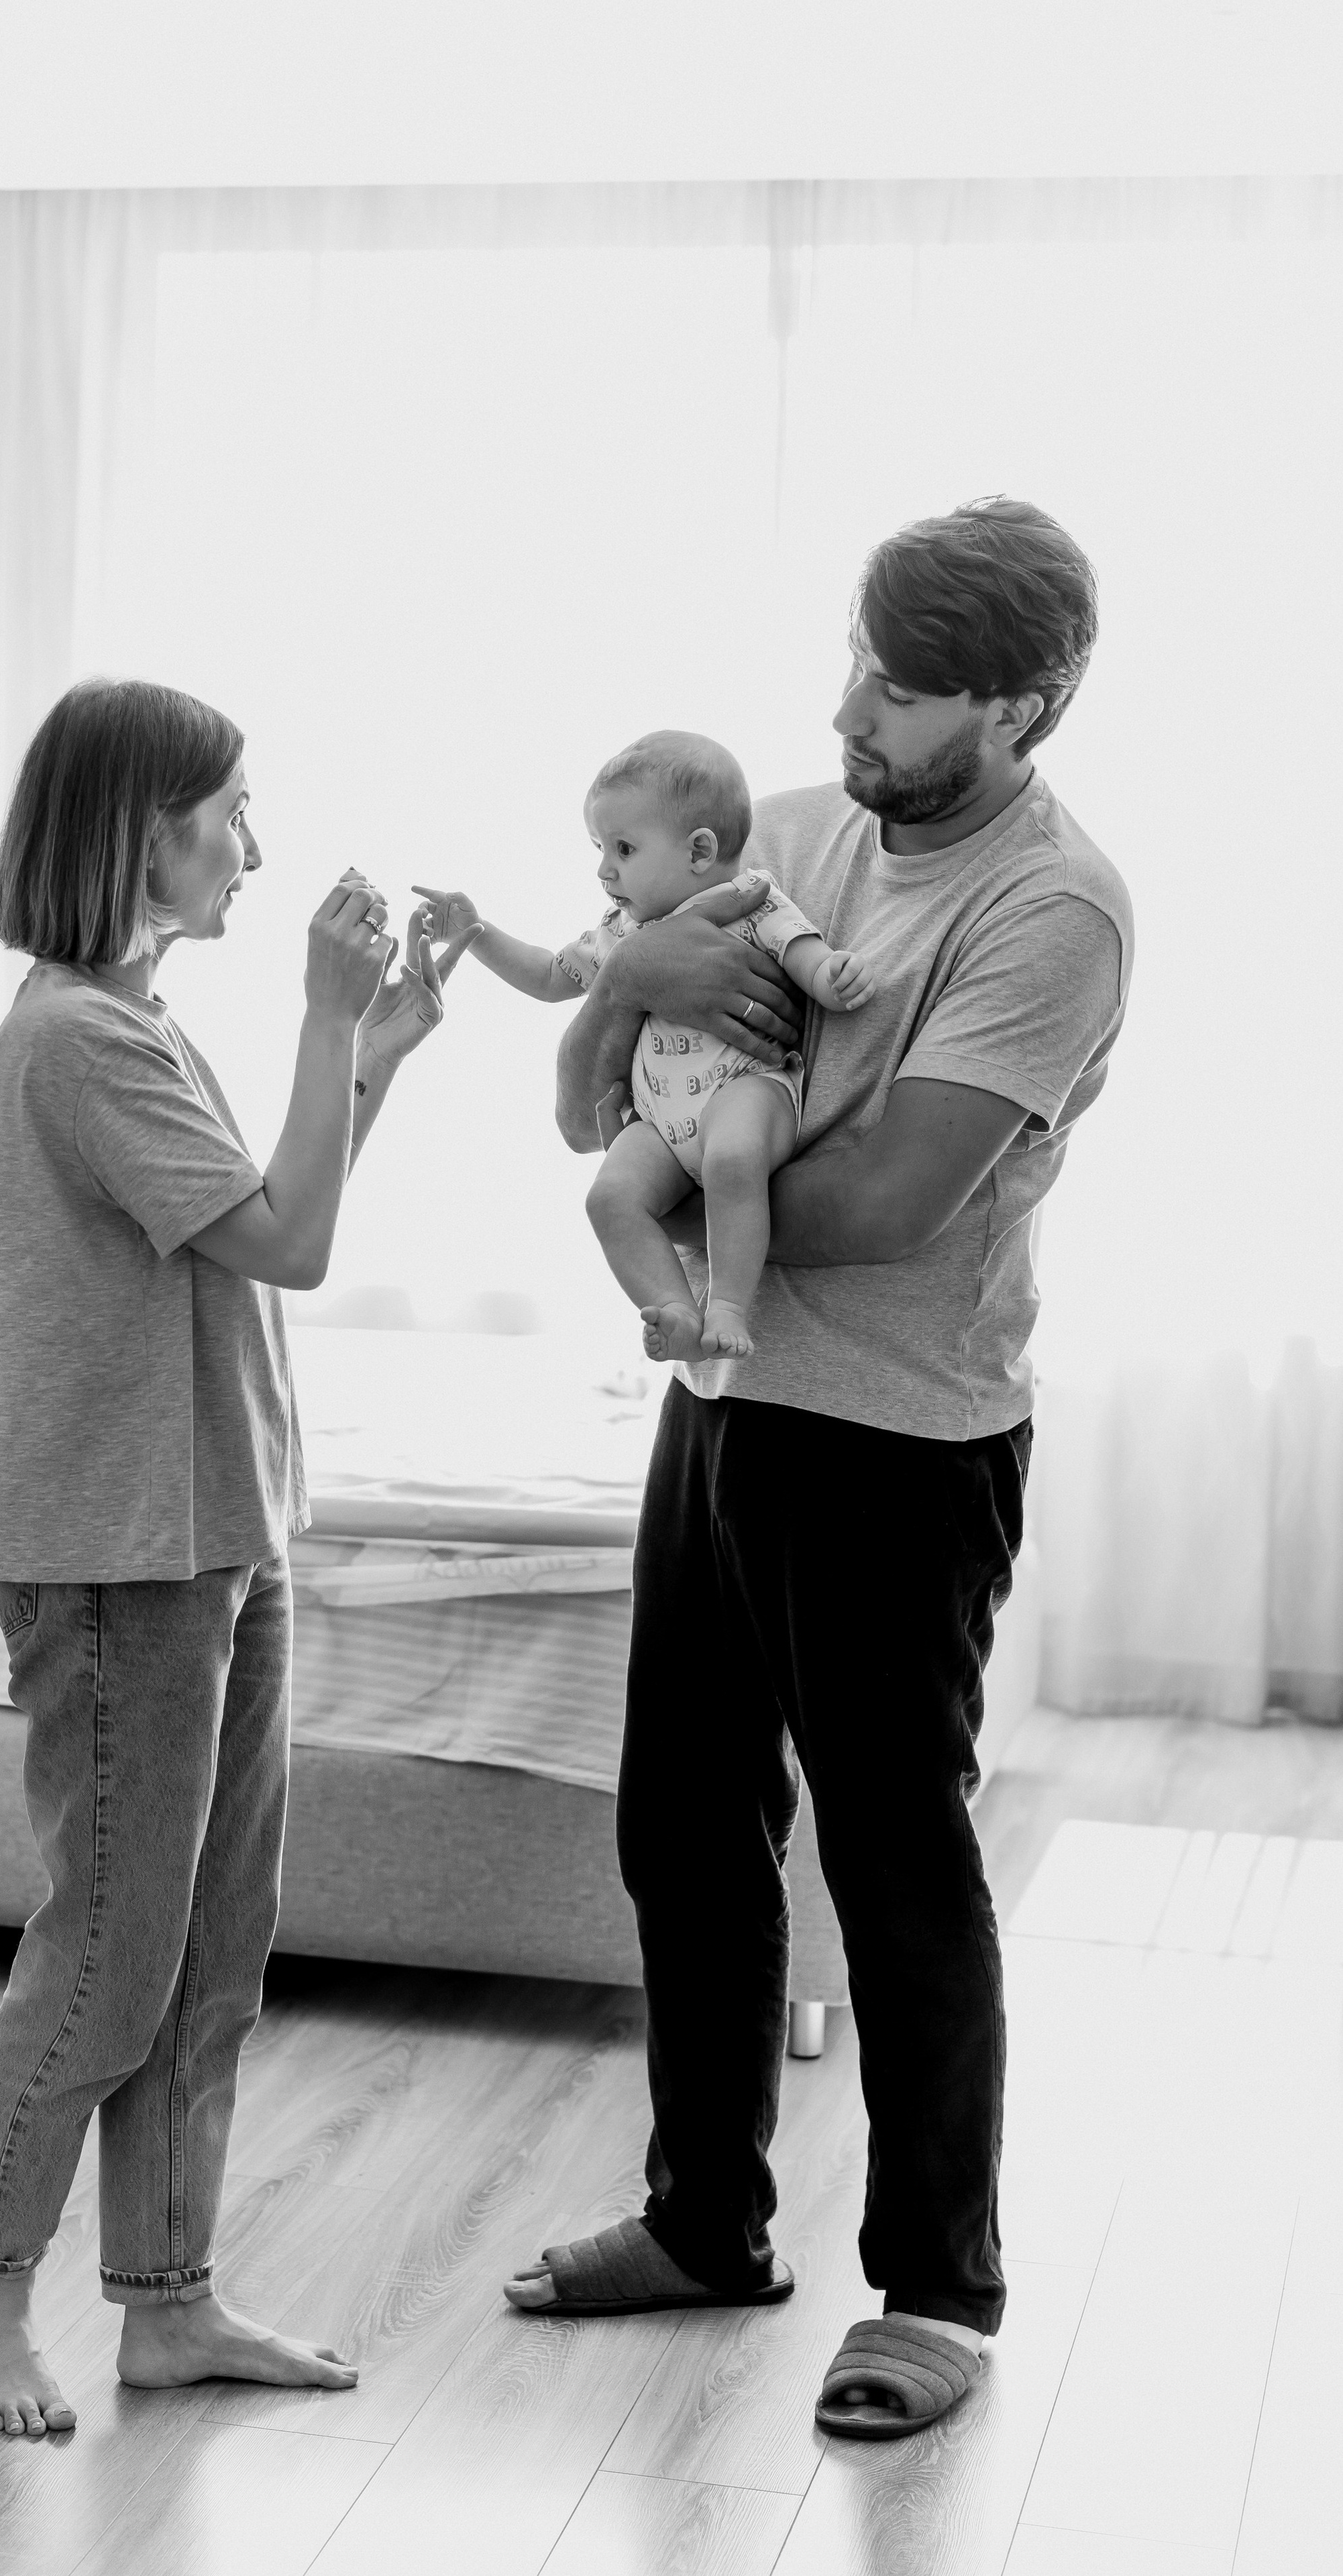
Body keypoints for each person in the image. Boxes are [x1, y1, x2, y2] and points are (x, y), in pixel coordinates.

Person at [502, 498, 1133, 2441]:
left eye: (904, 688)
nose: (853, 710)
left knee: (893, 1859)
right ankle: (705, 2221)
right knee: (682, 1826)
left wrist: (673, 1198)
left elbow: (885, 1198)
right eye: (856, 659)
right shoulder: (779, 828)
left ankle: (936, 2290)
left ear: (1016, 707)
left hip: (898, 1438)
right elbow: (584, 1108)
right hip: (724, 1399)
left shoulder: (1053, 910)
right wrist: (626, 983)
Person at [0, 677, 470, 2438]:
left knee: (210, 1953)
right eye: (230, 813)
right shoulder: (78, 1040)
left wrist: (370, 1046)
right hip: (122, 1558)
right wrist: (326, 1018)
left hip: (216, 1529)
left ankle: (165, 2305)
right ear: (141, 836)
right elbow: (294, 1246)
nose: (255, 845)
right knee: (112, 1952)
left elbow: (258, 1223)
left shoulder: (135, 1023)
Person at [414, 732, 873, 1362]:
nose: (605, 869)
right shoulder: (619, 934)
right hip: (659, 1124)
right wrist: (476, 931)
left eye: (624, 849)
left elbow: (804, 954)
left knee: (733, 1160)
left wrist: (832, 978)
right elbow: (548, 976)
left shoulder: (749, 902)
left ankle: (728, 1307)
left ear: (700, 850)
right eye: (600, 848)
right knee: (609, 1198)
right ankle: (676, 1309)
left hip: (745, 1089)